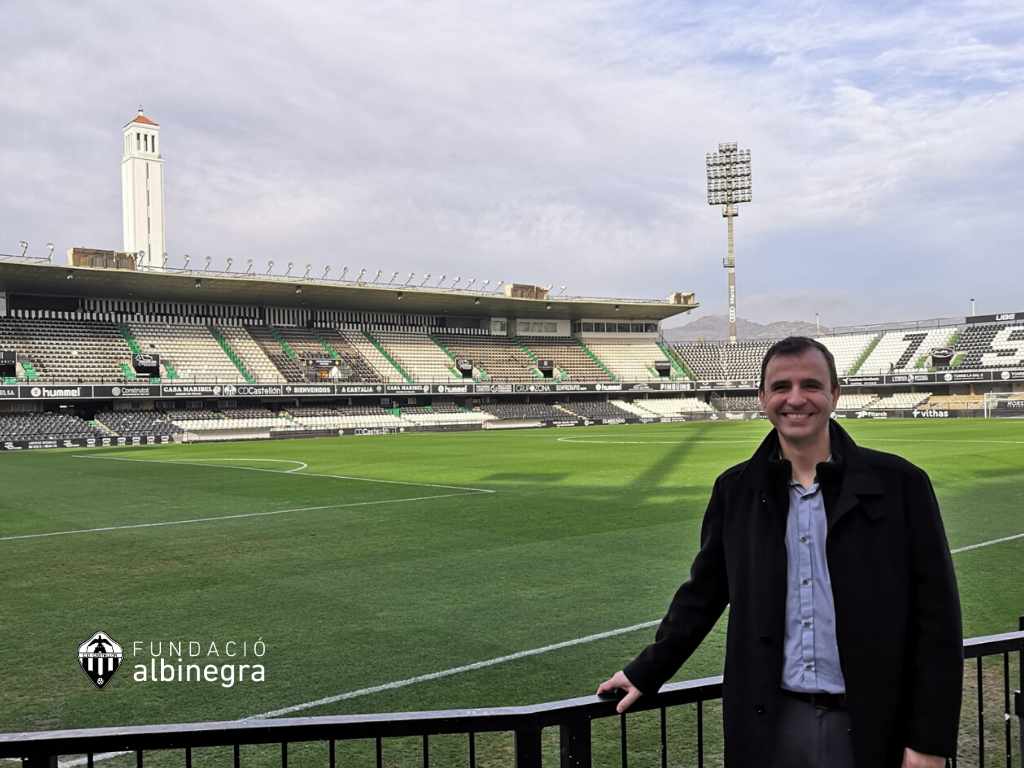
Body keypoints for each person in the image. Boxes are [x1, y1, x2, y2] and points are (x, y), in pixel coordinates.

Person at [598, 336, 962, 768]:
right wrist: (647, 670)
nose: (796, 399)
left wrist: (928, 742)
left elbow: (937, 620)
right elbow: (704, 593)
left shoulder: (900, 485)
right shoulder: (736, 491)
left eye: (811, 384)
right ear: (762, 398)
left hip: (871, 724)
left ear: (834, 394)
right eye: (781, 387)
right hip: (769, 725)